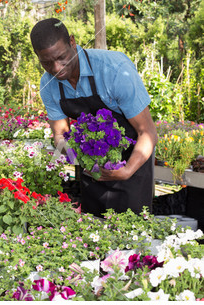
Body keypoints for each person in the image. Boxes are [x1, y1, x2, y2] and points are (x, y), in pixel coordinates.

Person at [30, 18, 158, 217]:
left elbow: (147, 132)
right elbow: (60, 135)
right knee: (94, 236)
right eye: (46, 63)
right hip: (91, 172)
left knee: (134, 238)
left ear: (72, 41)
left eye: (62, 57)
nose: (56, 68)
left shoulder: (115, 70)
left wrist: (126, 171)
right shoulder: (49, 84)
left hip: (132, 168)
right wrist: (79, 158)